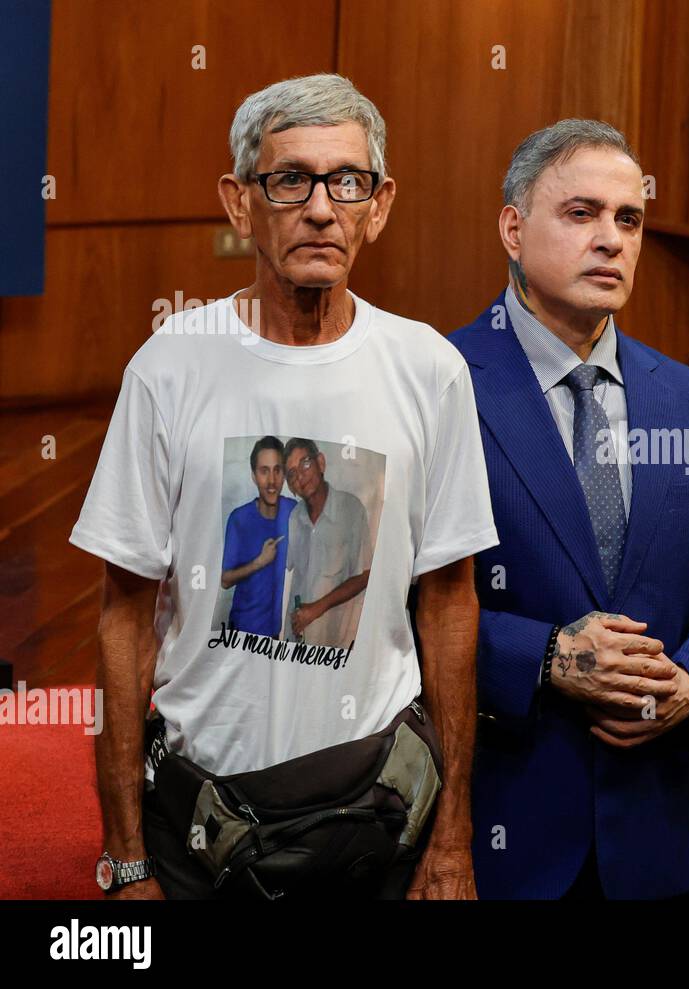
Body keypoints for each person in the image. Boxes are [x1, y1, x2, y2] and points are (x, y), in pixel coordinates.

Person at [70, 73, 497, 899]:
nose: (322, 208)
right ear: (239, 203)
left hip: (377, 814)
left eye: (349, 181)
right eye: (290, 179)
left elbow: (450, 603)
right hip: (199, 822)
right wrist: (124, 857)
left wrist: (453, 836)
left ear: (379, 204)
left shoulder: (429, 370)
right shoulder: (168, 366)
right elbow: (123, 619)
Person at [449, 118, 689, 899]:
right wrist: (543, 657)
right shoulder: (441, 383)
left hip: (653, 829)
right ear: (512, 226)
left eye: (628, 219)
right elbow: (394, 595)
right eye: (581, 214)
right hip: (497, 818)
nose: (611, 240)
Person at [282, 437, 371, 645]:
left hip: (333, 640)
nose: (300, 476)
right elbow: (294, 576)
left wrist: (316, 608)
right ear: (290, 486)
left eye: (305, 463)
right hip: (296, 639)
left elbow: (365, 575)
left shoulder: (351, 509)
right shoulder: (295, 517)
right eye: (292, 474)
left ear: (320, 463)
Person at [219, 435, 295, 638]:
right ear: (253, 475)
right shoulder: (239, 519)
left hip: (282, 638)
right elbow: (224, 580)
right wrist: (259, 562)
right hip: (244, 633)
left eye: (277, 470)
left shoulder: (295, 512)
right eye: (264, 471)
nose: (272, 481)